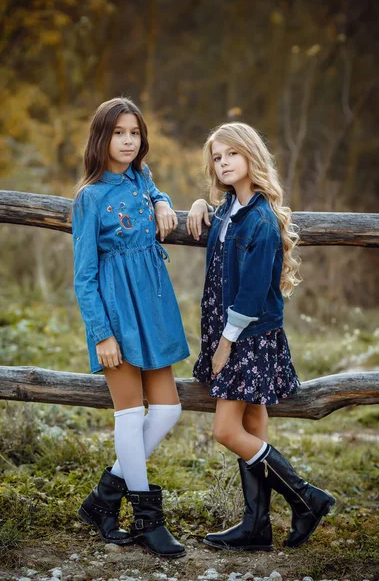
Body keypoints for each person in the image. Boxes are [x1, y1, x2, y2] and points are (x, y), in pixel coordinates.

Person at [186, 122, 335, 551]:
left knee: (227, 431)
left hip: (246, 339)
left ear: (252, 156)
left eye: (232, 154)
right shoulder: (232, 210)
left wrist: (225, 345)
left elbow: (251, 293)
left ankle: (307, 498)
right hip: (231, 333)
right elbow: (218, 229)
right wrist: (198, 203)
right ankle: (256, 528)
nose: (224, 162)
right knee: (253, 426)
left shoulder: (262, 221)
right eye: (217, 157)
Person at [72, 97, 189, 558]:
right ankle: (146, 518)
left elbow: (155, 194)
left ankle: (104, 500)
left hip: (153, 307)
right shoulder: (90, 197)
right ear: (102, 137)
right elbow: (83, 275)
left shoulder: (143, 179)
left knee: (168, 410)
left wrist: (162, 201)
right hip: (117, 314)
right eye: (118, 132)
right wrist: (102, 333)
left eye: (134, 133)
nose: (127, 140)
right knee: (131, 413)